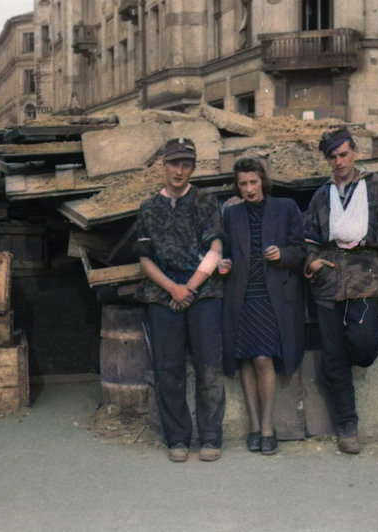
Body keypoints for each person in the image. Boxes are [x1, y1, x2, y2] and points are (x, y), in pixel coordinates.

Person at [302, 127, 378, 454]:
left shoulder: (376, 188)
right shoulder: (321, 196)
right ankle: (348, 426)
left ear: (355, 152)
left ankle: (356, 359)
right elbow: (307, 238)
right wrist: (312, 262)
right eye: (332, 157)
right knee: (333, 359)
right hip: (328, 283)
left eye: (343, 154)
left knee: (363, 345)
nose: (338, 162)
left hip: (364, 280)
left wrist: (362, 234)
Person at [134, 138, 226, 463]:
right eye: (174, 163)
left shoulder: (205, 201)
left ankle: (211, 436)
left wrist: (189, 286)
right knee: (168, 369)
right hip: (163, 295)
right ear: (164, 165)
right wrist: (173, 288)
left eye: (186, 164)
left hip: (204, 293)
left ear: (192, 168)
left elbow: (216, 249)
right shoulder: (148, 208)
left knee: (209, 366)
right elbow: (145, 260)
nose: (179, 170)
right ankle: (177, 438)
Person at [219, 158, 306, 455]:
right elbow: (225, 251)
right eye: (243, 184)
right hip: (241, 295)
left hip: (271, 298)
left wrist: (281, 253)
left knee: (262, 359)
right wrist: (224, 262)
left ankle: (268, 426)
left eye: (253, 182)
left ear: (263, 182)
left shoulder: (286, 208)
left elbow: (302, 250)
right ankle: (254, 427)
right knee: (245, 358)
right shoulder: (231, 214)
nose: (249, 189)